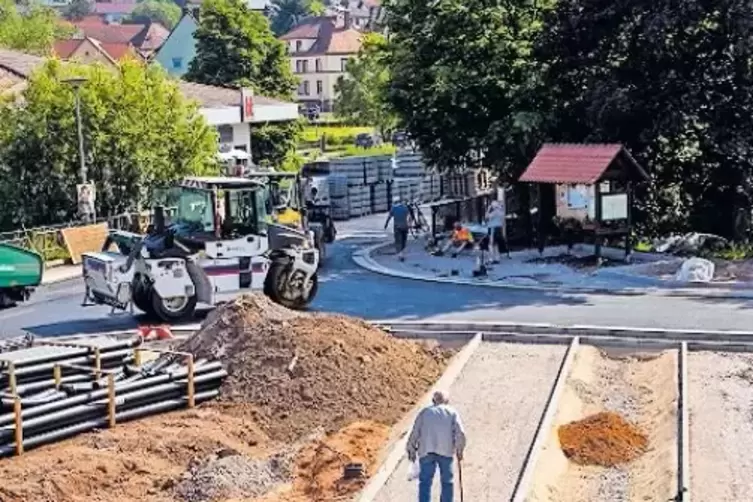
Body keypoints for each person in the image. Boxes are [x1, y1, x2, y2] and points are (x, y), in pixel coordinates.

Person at [407, 390, 466, 502]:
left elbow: (415, 432)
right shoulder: (452, 412)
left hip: (426, 451)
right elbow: (460, 433)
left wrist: (411, 449)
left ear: (433, 400)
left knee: (425, 482)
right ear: (447, 401)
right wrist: (460, 450)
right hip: (446, 450)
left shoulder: (424, 413)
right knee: (447, 482)